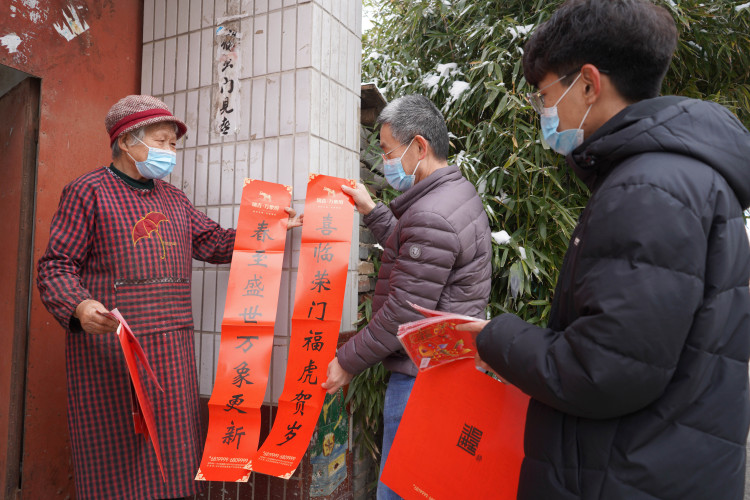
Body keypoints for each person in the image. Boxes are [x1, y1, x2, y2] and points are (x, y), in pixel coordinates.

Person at [460, 1, 750, 499]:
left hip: (623, 474)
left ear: (589, 84)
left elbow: (604, 370)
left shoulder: (648, 188)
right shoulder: (678, 175)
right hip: (662, 464)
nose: (541, 111)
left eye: (544, 95)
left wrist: (496, 337)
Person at [36, 95, 299, 499]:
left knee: (173, 463)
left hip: (171, 354)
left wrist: (273, 227)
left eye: (173, 145)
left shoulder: (174, 200)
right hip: (112, 354)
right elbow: (55, 265)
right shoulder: (88, 192)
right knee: (113, 460)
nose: (170, 152)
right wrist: (80, 305)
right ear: (126, 141)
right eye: (162, 142)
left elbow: (215, 242)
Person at [321, 94, 492, 499]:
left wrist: (346, 361)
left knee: (401, 487)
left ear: (419, 146)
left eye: (386, 151)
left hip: (423, 379)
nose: (385, 161)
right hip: (449, 370)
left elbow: (403, 311)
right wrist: (371, 209)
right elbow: (413, 251)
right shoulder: (455, 193)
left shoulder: (431, 213)